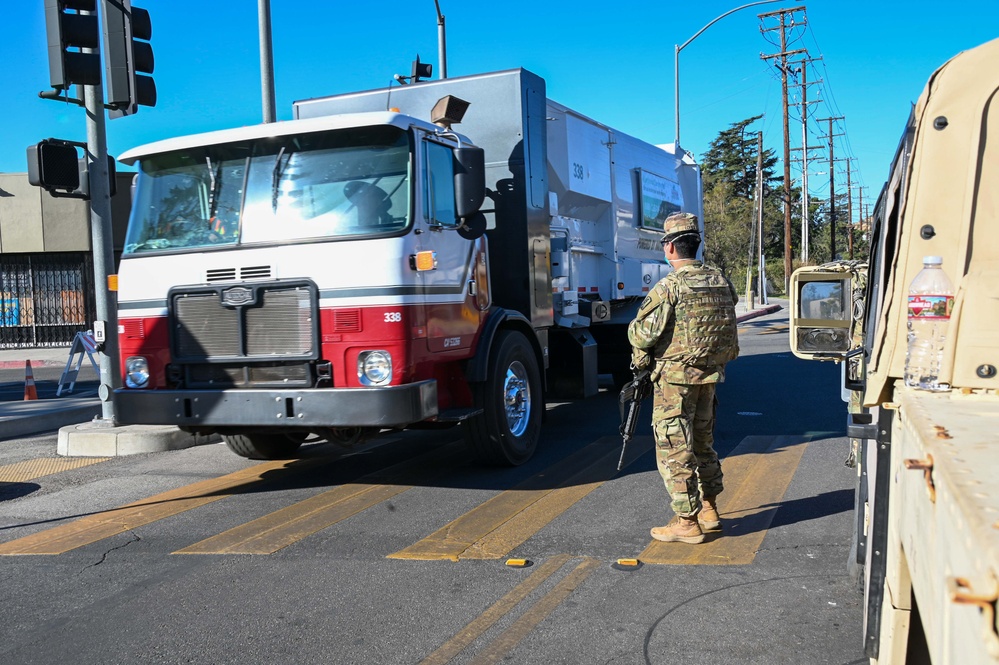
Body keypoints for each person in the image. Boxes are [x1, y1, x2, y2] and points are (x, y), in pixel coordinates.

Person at [627, 212, 739, 544]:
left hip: (675, 380)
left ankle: (686, 522)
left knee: (676, 447)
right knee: (703, 443)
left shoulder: (671, 286)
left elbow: (643, 335)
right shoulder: (719, 279)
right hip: (708, 376)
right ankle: (709, 509)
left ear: (671, 248)